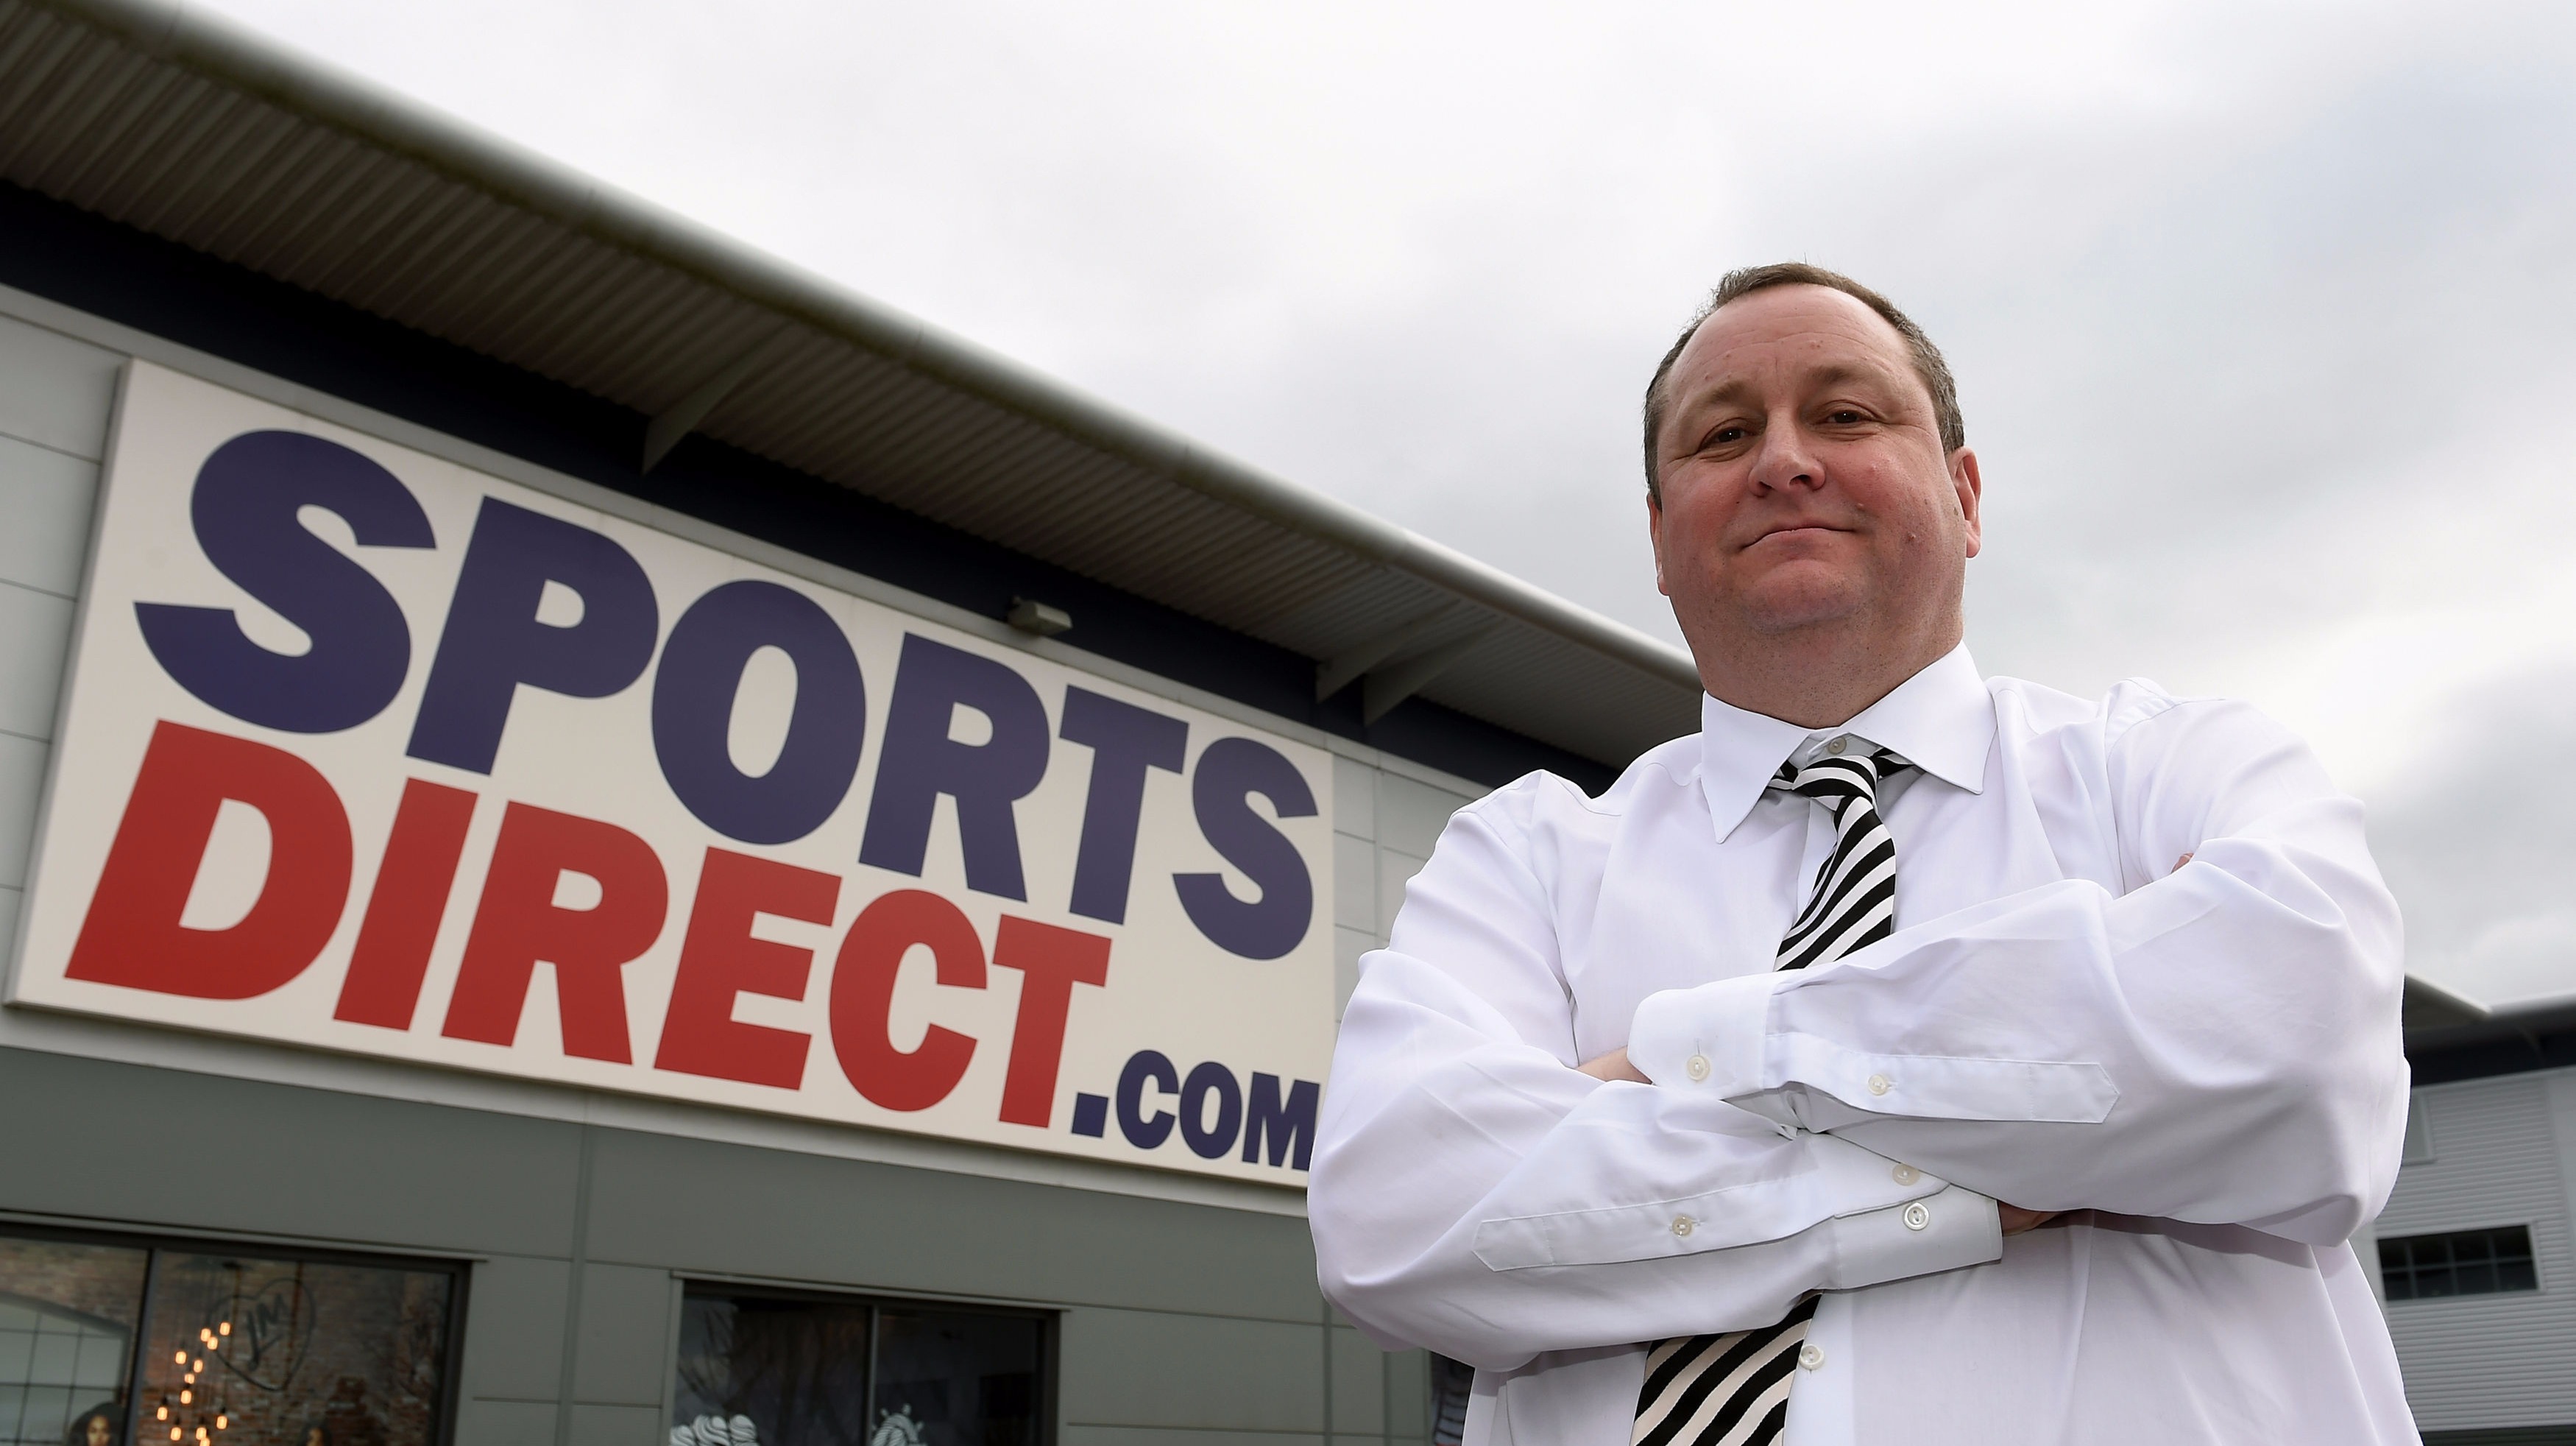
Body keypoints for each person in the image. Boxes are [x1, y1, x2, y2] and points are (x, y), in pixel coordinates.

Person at [1308, 263, 2413, 1446]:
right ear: (1661, 540)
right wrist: (2003, 1155)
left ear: (1966, 497)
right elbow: (1395, 1213)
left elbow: (2297, 1052)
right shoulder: (1524, 856)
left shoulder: (2166, 765)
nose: (1784, 461)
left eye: (1845, 414)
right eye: (1724, 435)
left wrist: (1689, 1058)